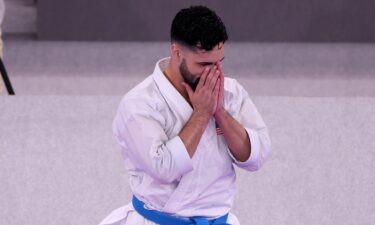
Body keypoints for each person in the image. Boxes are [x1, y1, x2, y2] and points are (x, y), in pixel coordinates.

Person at [99, 5, 271, 225]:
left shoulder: (231, 92)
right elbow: (164, 169)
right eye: (203, 64)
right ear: (177, 52)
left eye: (219, 62)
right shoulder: (139, 103)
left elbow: (257, 156)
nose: (214, 72)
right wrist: (201, 115)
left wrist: (219, 111)